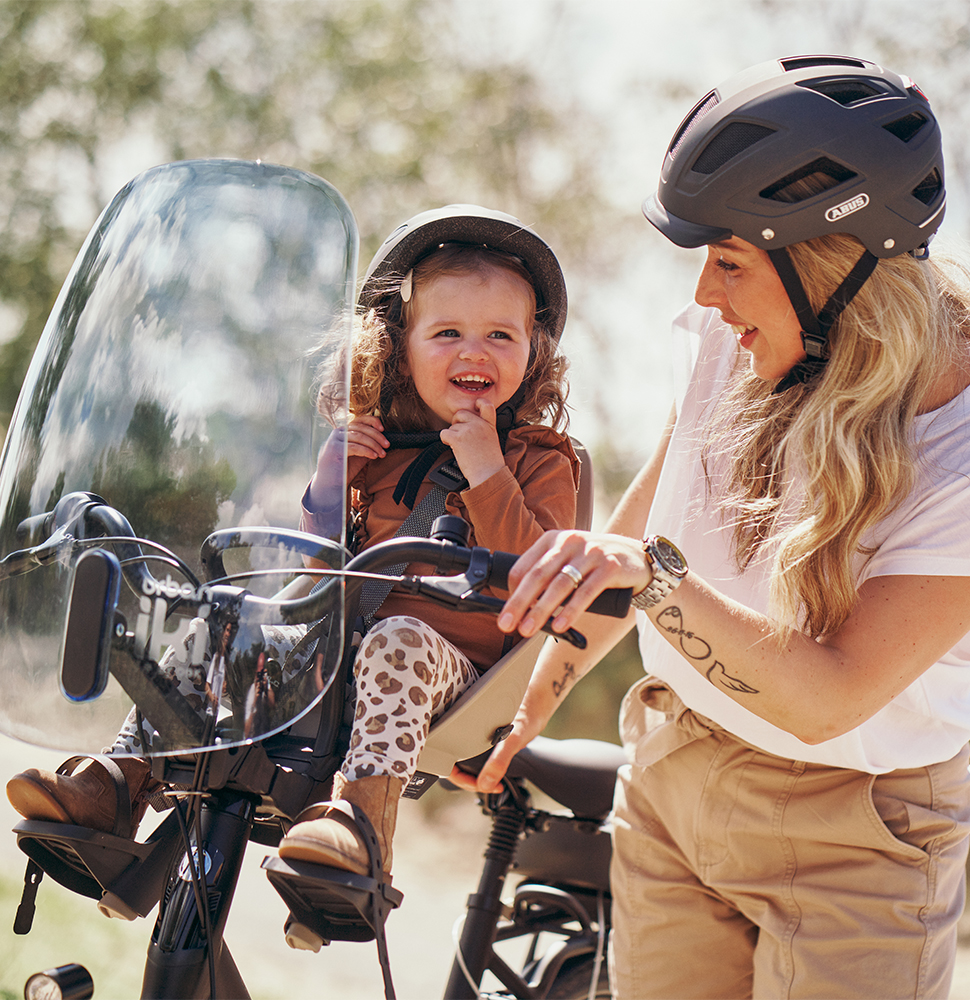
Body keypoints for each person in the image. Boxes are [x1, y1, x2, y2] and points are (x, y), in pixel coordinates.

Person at [453, 56, 970, 999]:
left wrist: (653, 577)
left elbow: (828, 696)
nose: (706, 295)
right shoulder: (737, 338)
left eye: (732, 261)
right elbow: (639, 526)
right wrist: (528, 700)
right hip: (671, 777)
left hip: (859, 842)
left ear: (837, 266)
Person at [7, 205, 580, 883]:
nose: (473, 351)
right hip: (339, 648)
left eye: (500, 335)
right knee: (226, 617)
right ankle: (120, 781)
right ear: (399, 347)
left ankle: (361, 820)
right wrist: (334, 479)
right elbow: (321, 575)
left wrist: (487, 470)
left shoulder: (540, 457)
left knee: (400, 636)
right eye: (447, 331)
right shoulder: (383, 448)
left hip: (453, 671)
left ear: (533, 352)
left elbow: (539, 577)